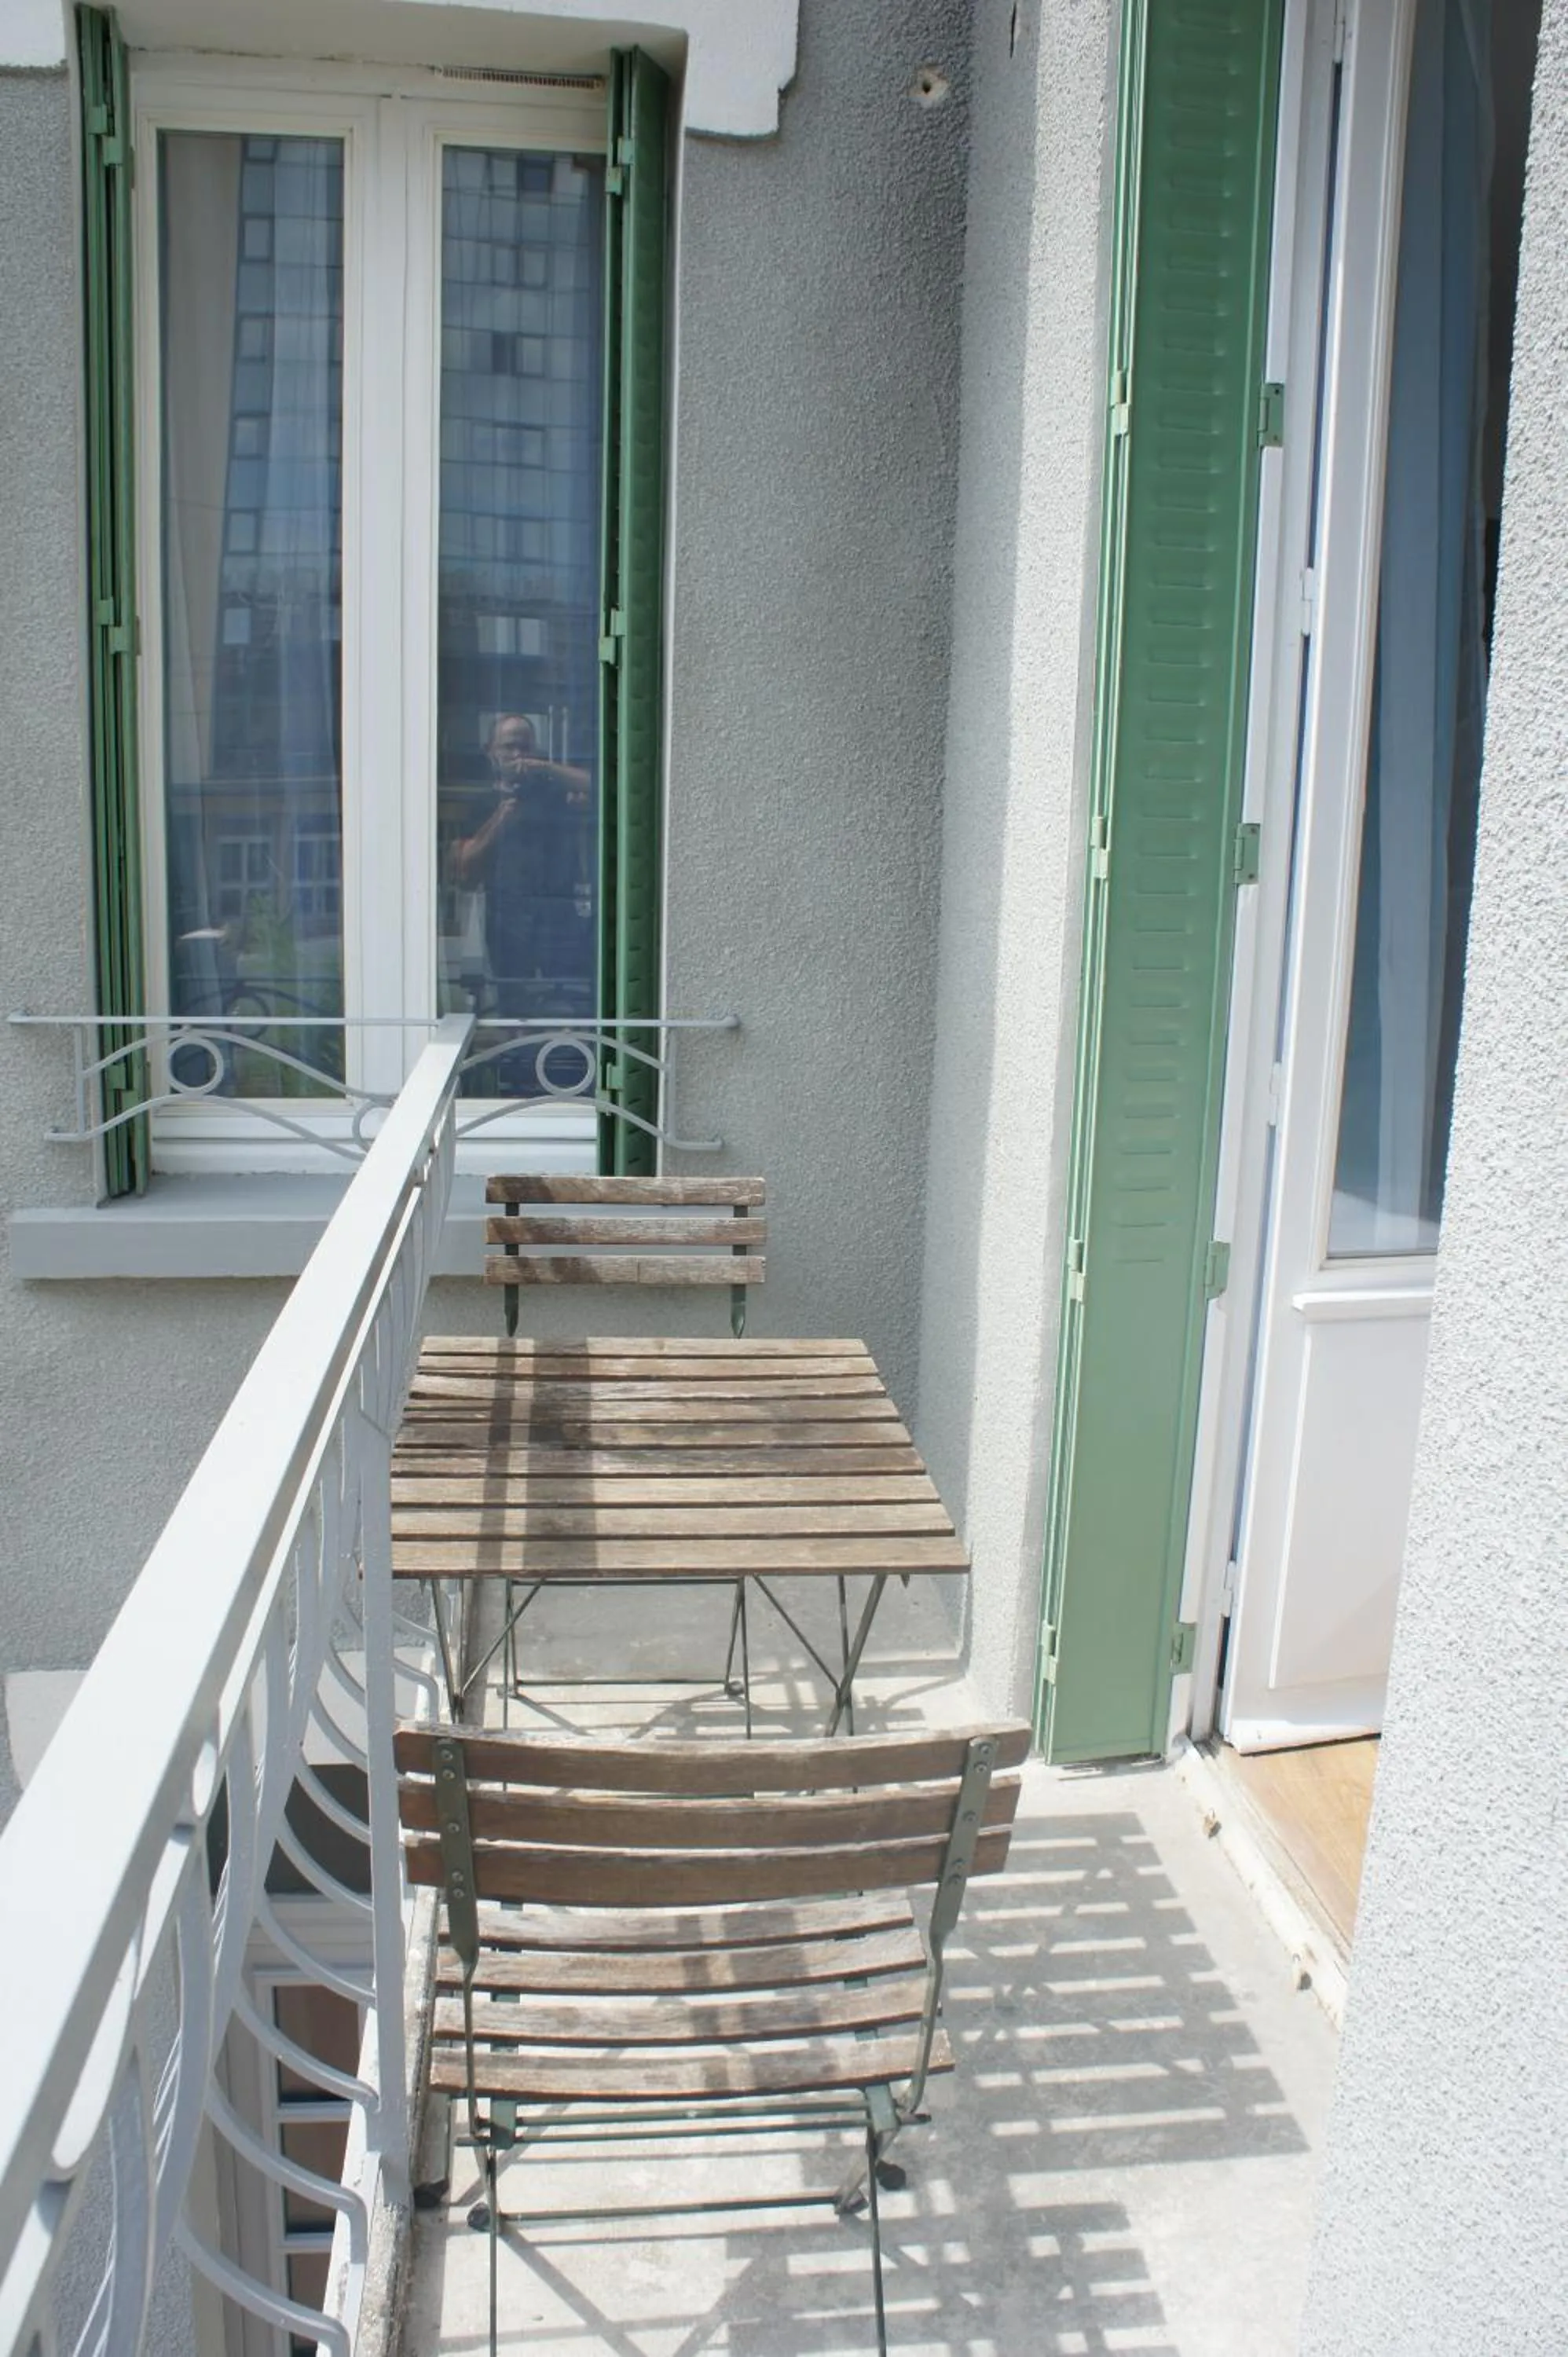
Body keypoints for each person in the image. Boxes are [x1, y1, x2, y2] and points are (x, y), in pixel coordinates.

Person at [448, 713, 595, 1089]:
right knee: (514, 1007)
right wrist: (501, 817)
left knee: (571, 1001)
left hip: (560, 913)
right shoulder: (482, 804)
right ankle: (517, 1079)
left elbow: (604, 789)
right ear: (491, 752)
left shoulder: (553, 791)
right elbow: (463, 870)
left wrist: (546, 768)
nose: (518, 754)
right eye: (509, 745)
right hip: (506, 916)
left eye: (524, 746)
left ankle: (571, 1078)